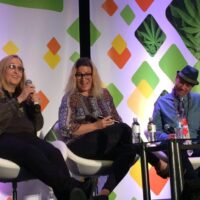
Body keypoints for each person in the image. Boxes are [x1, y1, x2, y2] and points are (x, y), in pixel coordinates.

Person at [58, 57, 169, 200]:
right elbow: (65, 129)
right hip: (80, 146)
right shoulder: (70, 97)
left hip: (105, 144)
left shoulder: (104, 94)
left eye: (87, 74)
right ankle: (157, 162)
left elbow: (118, 122)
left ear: (93, 76)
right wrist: (96, 126)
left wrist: (109, 125)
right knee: (126, 131)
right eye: (79, 74)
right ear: (75, 77)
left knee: (129, 149)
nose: (83, 78)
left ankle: (103, 194)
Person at [0, 54, 90, 200]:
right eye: (12, 67)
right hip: (4, 138)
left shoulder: (24, 96)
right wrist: (20, 99)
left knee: (54, 153)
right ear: (3, 70)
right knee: (30, 151)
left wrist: (35, 107)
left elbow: (37, 126)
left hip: (27, 138)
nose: (17, 71)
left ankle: (70, 194)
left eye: (20, 69)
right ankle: (75, 187)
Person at [152, 65, 200, 179]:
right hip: (175, 146)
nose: (183, 87)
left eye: (188, 85)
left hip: (196, 145)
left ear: (192, 87)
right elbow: (155, 132)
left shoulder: (198, 100)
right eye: (181, 82)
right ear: (176, 78)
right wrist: (166, 137)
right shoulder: (161, 102)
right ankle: (194, 186)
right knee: (179, 152)